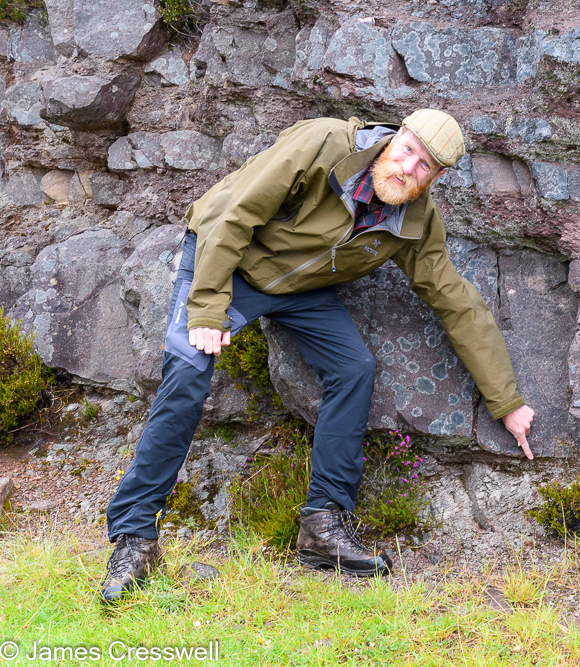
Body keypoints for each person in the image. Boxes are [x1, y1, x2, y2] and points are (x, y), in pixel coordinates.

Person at [99, 110, 536, 602]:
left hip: (301, 291)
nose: (410, 168)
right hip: (228, 261)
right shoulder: (325, 143)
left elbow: (455, 300)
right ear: (395, 137)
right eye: (409, 150)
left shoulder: (413, 218)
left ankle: (322, 528)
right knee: (187, 373)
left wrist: (506, 401)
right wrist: (206, 307)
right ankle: (135, 538)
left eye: (427, 166)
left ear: (437, 177)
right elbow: (234, 213)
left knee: (355, 369)